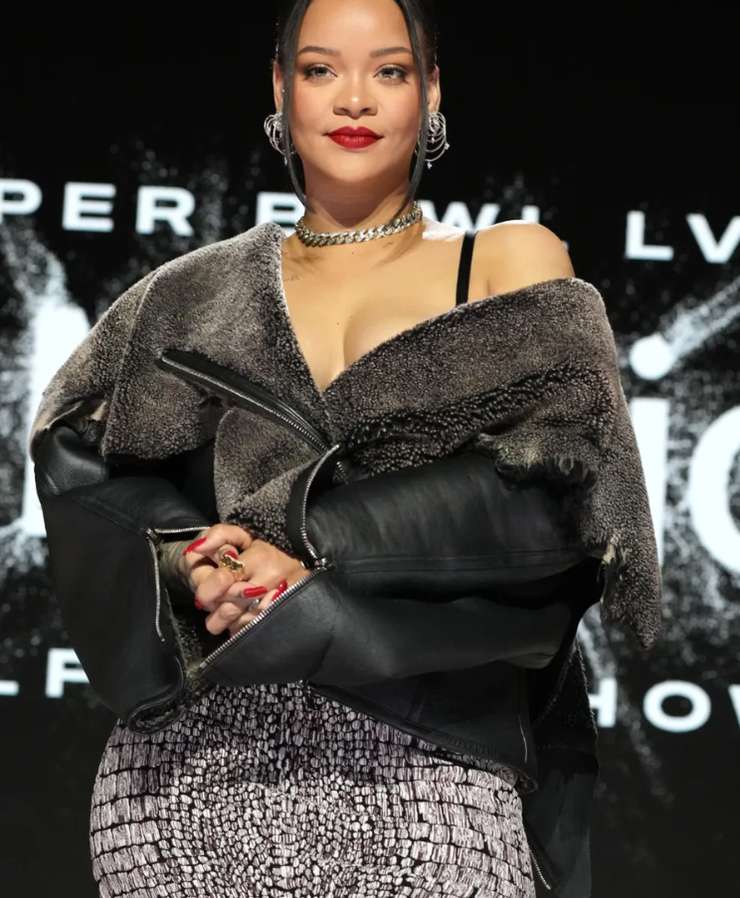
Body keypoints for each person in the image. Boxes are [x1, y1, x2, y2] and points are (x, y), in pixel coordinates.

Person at [36, 1, 622, 895]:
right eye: (320, 70)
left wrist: (308, 546)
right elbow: (89, 472)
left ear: (432, 91)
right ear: (281, 88)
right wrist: (190, 557)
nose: (355, 98)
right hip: (187, 778)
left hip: (425, 768)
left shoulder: (507, 261)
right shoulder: (190, 292)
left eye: (389, 70)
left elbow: (560, 496)